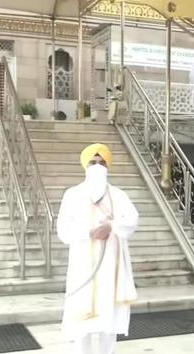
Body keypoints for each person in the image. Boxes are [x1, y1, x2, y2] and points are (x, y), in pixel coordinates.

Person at [57, 143, 139, 354]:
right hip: (83, 266)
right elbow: (63, 230)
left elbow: (132, 220)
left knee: (108, 323)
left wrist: (111, 227)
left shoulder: (119, 195)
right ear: (85, 165)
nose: (97, 166)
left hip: (111, 266)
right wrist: (89, 232)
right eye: (93, 162)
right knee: (82, 326)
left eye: (102, 163)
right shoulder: (72, 194)